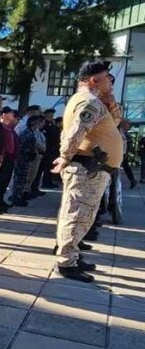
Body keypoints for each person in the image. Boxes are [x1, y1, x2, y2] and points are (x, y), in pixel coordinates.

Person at [52, 61, 123, 282]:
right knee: (77, 216)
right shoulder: (89, 101)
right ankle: (66, 263)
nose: (111, 83)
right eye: (107, 78)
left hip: (93, 169)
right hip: (87, 168)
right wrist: (65, 156)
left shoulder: (96, 101)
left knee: (82, 215)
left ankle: (73, 255)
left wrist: (111, 104)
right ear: (94, 80)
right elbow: (77, 130)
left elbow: (113, 123)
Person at [0, 106, 19, 213]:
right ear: (4, 115)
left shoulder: (9, 128)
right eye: (10, 113)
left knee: (4, 182)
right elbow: (0, 144)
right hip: (3, 158)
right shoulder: (1, 127)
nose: (13, 116)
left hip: (10, 159)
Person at [11, 114, 44, 206]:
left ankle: (19, 197)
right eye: (37, 122)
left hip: (27, 159)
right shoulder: (27, 133)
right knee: (20, 179)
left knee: (23, 179)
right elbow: (24, 146)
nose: (38, 124)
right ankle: (16, 198)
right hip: (23, 159)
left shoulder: (31, 132)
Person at [39, 108, 60, 189]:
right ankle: (45, 183)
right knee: (46, 168)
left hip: (53, 149)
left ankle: (49, 182)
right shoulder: (46, 125)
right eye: (50, 115)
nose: (52, 116)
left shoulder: (51, 124)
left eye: (52, 115)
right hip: (48, 149)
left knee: (51, 167)